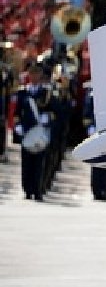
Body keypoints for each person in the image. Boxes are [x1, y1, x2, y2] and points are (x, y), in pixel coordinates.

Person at [13, 64, 54, 201]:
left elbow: (55, 111)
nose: (34, 76)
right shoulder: (23, 93)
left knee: (39, 163)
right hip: (27, 131)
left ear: (40, 75)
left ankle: (38, 190)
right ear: (29, 75)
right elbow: (17, 112)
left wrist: (47, 117)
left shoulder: (46, 93)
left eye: (37, 74)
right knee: (27, 163)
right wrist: (17, 125)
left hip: (40, 131)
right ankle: (27, 189)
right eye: (32, 74)